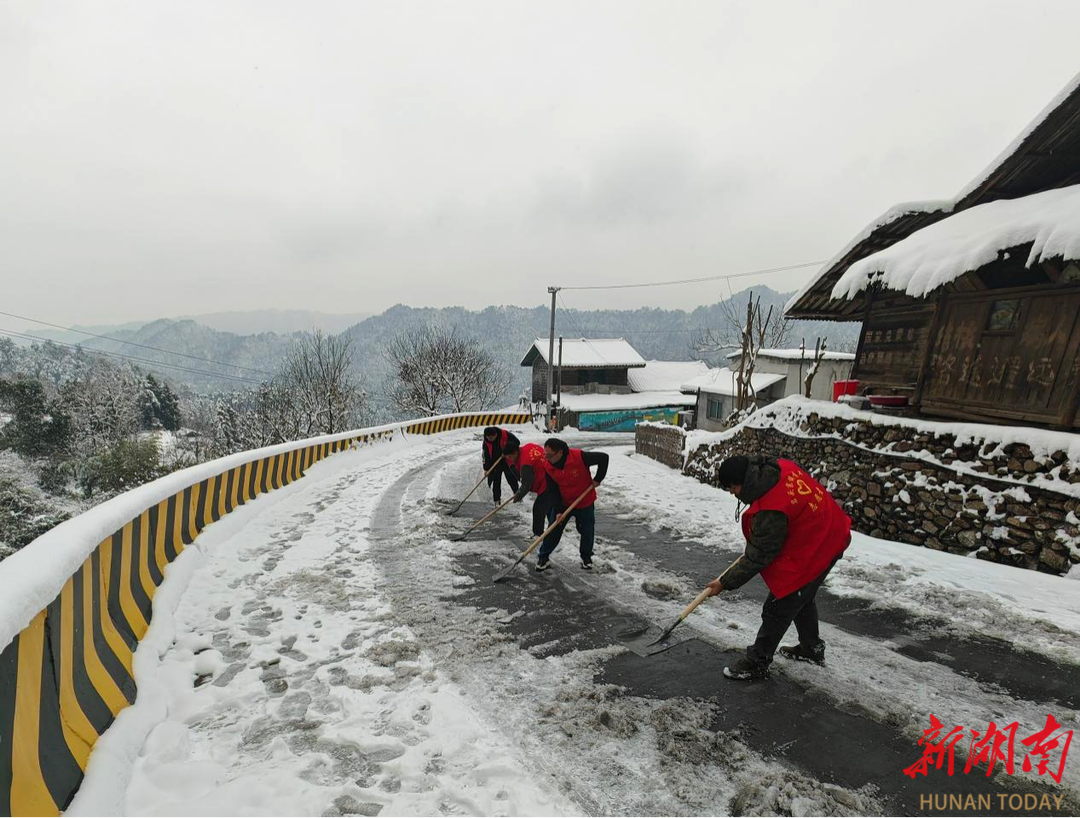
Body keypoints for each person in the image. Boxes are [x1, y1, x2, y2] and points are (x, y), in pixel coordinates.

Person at [705, 454, 851, 681]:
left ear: (742, 481)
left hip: (821, 543)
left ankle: (757, 661)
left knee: (779, 605)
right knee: (802, 596)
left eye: (732, 488)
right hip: (829, 530)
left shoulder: (771, 510)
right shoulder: (777, 468)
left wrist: (724, 583)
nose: (732, 493)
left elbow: (760, 555)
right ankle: (811, 648)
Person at [536, 438, 609, 571]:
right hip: (564, 502)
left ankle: (586, 557)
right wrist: (558, 510)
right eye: (545, 455)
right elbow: (552, 490)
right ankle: (543, 556)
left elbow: (603, 458)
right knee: (553, 529)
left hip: (584, 500)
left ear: (560, 453)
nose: (547, 458)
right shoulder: (548, 466)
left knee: (587, 530)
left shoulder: (579, 457)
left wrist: (598, 478)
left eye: (549, 455)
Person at [503, 439, 559, 537]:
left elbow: (527, 484)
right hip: (552, 474)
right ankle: (553, 531)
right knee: (549, 508)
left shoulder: (525, 464)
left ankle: (538, 535)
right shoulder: (528, 447)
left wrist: (518, 496)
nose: (510, 459)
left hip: (547, 482)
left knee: (539, 509)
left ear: (516, 452)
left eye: (511, 457)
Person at [483, 426, 520, 505]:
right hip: (495, 463)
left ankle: (518, 496)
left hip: (507, 461)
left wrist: (507, 450)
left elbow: (517, 442)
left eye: (492, 438)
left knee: (511, 479)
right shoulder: (486, 442)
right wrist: (486, 469)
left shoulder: (505, 435)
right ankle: (497, 500)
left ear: (495, 435)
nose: (490, 440)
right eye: (488, 438)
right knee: (496, 482)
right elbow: (485, 455)